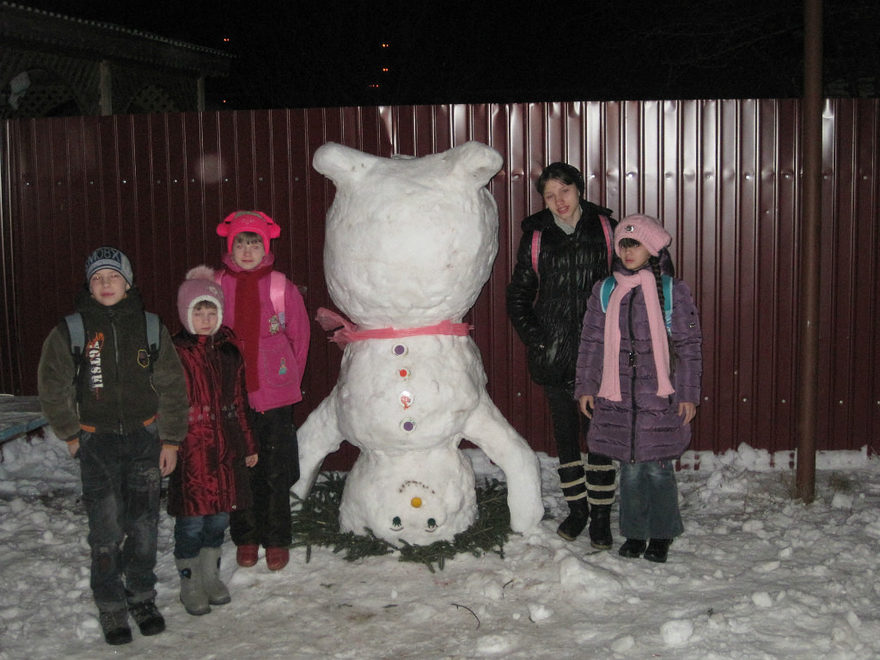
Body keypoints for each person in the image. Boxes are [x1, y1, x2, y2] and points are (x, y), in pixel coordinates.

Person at [37, 247, 188, 645]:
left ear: (128, 282)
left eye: (113, 276)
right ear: (89, 286)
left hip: (144, 439)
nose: (106, 284)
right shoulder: (73, 329)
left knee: (143, 528)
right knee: (105, 533)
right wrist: (71, 433)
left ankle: (141, 597)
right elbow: (52, 383)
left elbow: (172, 385)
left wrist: (170, 439)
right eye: (97, 278)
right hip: (96, 442)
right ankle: (110, 606)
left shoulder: (151, 327)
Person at [575, 214, 702, 563]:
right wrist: (586, 385)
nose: (629, 252)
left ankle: (661, 534)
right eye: (623, 245)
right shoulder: (605, 290)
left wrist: (688, 393)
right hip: (617, 399)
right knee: (630, 468)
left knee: (657, 470)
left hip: (660, 398)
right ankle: (634, 534)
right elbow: (590, 342)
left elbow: (689, 345)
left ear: (653, 248)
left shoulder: (671, 292)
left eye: (637, 244)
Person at [506, 162, 618, 547]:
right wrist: (539, 340)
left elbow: (629, 283)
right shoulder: (536, 235)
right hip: (554, 356)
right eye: (550, 196)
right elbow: (518, 296)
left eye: (564, 192)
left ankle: (601, 517)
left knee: (600, 437)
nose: (559, 202)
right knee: (567, 438)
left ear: (579, 190)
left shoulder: (605, 229)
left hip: (600, 355)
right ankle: (578, 510)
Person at [215, 210, 310, 571]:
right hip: (233, 393)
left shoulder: (279, 286)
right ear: (231, 247)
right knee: (241, 469)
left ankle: (276, 539)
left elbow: (299, 337)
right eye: (241, 243)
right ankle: (246, 537)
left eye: (255, 243)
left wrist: (287, 380)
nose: (248, 250)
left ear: (265, 246)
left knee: (274, 468)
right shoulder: (219, 284)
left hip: (275, 394)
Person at [169, 266, 259, 615]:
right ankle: (190, 581)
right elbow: (168, 403)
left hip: (225, 450)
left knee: (219, 518)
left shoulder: (229, 351)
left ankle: (210, 575)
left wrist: (248, 444)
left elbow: (238, 402)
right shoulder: (175, 353)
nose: (205, 319)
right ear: (185, 314)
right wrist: (169, 445)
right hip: (191, 450)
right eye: (198, 312)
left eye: (211, 312)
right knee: (192, 520)